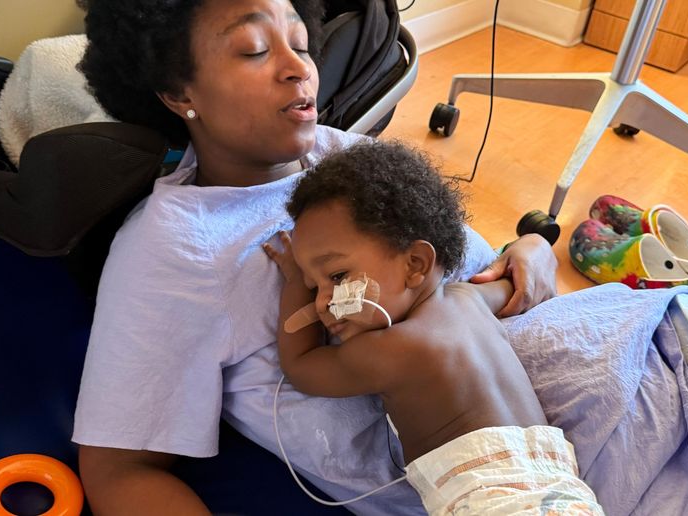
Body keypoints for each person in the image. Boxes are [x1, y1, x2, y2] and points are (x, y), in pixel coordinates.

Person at [71, 1, 558, 514]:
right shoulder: (176, 251)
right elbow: (118, 471)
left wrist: (527, 250)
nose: (299, 67)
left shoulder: (339, 157)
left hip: (585, 397)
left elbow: (454, 270)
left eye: (301, 44)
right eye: (256, 49)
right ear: (178, 92)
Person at [262, 140, 604, 515]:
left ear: (415, 264)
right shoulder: (469, 299)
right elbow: (520, 291)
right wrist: (528, 245)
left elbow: (301, 367)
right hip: (566, 492)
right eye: (314, 286)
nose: (322, 302)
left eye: (337, 276)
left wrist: (294, 281)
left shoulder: (391, 350)